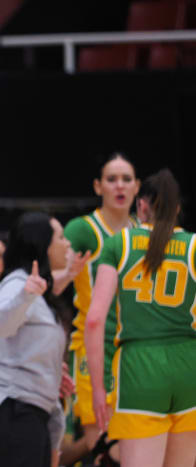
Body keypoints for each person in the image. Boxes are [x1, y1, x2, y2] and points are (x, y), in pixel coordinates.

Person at [85, 169, 196, 467]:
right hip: (189, 366)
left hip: (140, 368)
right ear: (176, 209)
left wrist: (97, 388)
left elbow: (94, 320)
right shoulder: (193, 246)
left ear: (142, 205)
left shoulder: (120, 242)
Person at [0, 212, 72, 467]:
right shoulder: (17, 284)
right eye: (60, 237)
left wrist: (50, 370)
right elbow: (0, 325)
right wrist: (26, 295)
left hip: (28, 412)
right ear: (43, 245)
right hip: (9, 408)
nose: (67, 244)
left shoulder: (38, 294)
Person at [63, 153, 140, 451]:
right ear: (98, 187)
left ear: (137, 187)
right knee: (106, 451)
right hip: (93, 347)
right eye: (111, 179)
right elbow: (52, 279)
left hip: (134, 347)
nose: (119, 186)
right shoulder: (82, 230)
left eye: (126, 179)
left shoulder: (143, 232)